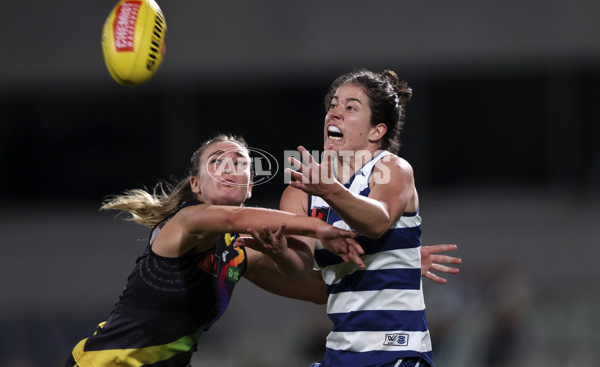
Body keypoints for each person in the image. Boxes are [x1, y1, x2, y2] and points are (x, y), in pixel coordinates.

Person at [66, 133, 458, 366]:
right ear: (196, 186)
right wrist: (322, 229)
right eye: (215, 161)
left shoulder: (240, 252)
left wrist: (391, 259)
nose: (227, 165)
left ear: (249, 187)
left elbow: (322, 289)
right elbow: (236, 220)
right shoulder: (187, 222)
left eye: (238, 162)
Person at [242, 69, 449, 367]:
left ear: (376, 131)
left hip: (398, 353)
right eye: (333, 105)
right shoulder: (301, 192)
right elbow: (299, 268)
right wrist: (279, 252)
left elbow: (378, 221)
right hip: (339, 355)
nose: (334, 113)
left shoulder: (392, 169)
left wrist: (329, 189)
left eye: (350, 107)